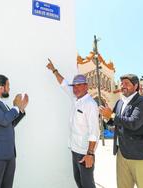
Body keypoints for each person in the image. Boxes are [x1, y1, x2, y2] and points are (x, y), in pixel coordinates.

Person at [47, 59, 100, 188]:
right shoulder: (76, 98)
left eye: (79, 85)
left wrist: (90, 154)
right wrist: (54, 70)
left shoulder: (91, 105)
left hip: (85, 152)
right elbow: (64, 83)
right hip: (75, 150)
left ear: (86, 86)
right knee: (79, 182)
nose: (75, 88)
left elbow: (94, 132)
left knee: (88, 184)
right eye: (74, 86)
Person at [99, 74, 143, 188]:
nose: (122, 86)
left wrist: (111, 114)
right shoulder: (119, 102)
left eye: (126, 83)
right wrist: (106, 117)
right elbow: (115, 122)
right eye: (121, 83)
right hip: (122, 153)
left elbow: (133, 123)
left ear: (136, 86)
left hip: (141, 155)